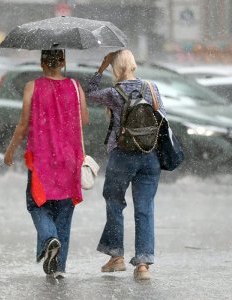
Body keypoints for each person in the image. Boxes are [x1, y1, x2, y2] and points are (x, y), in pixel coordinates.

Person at [4, 49, 89, 280]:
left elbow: (23, 124)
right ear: (63, 62)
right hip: (70, 159)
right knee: (64, 211)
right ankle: (58, 268)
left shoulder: (32, 87)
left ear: (42, 62)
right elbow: (85, 120)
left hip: (42, 159)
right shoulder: (75, 86)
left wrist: (10, 150)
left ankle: (50, 237)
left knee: (37, 204)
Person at [85, 49, 166, 281]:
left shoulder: (114, 92)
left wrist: (100, 69)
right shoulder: (151, 88)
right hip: (150, 155)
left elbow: (88, 94)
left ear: (116, 67)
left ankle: (116, 257)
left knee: (114, 202)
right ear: (133, 65)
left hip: (122, 154)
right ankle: (143, 264)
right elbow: (162, 116)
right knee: (145, 209)